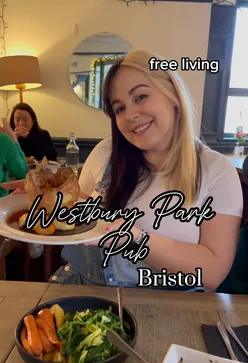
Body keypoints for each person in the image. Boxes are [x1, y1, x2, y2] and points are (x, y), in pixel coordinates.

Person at [29, 50, 246, 290]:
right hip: (81, 291)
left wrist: (136, 237)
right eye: (119, 108)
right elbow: (81, 210)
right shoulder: (105, 151)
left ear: (173, 94)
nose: (130, 115)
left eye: (140, 97)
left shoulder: (217, 171)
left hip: (168, 307)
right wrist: (48, 196)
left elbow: (213, 272)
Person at [0, 118, 29, 198]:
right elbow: (23, 172)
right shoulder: (3, 140)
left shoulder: (42, 134)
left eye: (25, 120)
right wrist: (13, 138)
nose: (21, 123)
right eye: (17, 119)